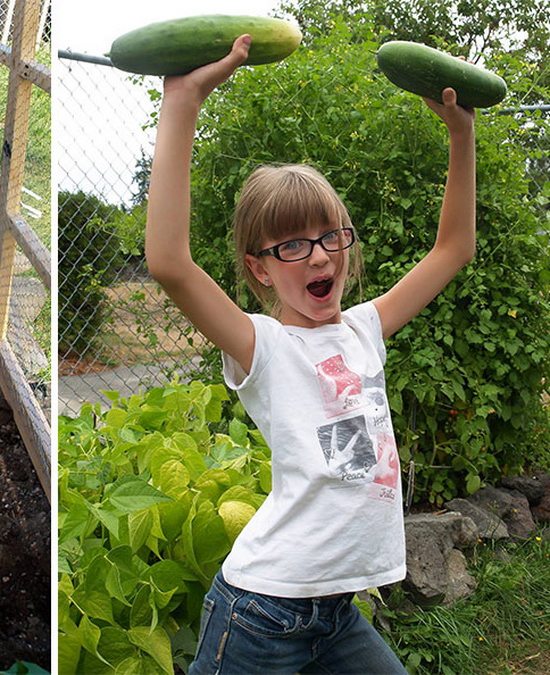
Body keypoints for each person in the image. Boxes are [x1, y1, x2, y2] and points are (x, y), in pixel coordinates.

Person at [144, 34, 476, 674]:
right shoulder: (262, 345)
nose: (319, 255)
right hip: (261, 615)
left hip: (336, 617)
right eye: (291, 246)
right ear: (259, 269)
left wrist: (461, 137)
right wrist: (183, 99)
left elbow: (452, 250)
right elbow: (169, 262)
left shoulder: (363, 329)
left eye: (328, 236)